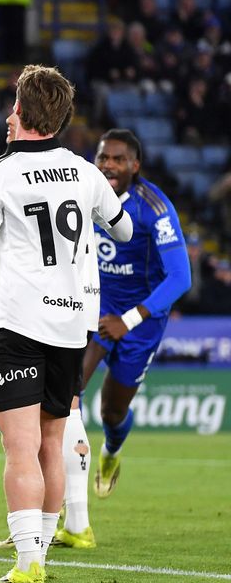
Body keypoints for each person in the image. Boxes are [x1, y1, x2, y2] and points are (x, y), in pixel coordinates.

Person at [0, 65, 131, 583]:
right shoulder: (84, 172)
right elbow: (121, 229)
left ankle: (29, 559)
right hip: (70, 325)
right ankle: (42, 552)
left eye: (14, 103)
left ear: (24, 110)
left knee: (19, 448)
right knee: (50, 442)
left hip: (16, 323)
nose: (10, 112)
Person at [55, 130, 191, 543]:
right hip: (94, 313)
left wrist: (130, 319)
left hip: (141, 323)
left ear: (135, 165)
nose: (108, 165)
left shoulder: (156, 209)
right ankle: (68, 514)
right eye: (103, 157)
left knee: (112, 413)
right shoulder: (86, 191)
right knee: (65, 392)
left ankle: (111, 454)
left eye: (118, 159)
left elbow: (181, 277)